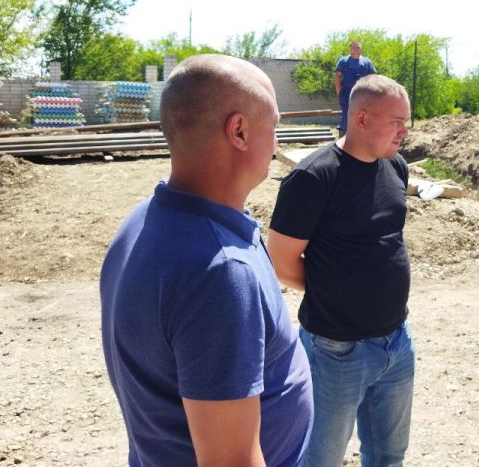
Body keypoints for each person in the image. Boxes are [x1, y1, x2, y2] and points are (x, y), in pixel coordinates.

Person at [100, 54, 313, 467]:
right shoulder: (219, 271)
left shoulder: (145, 218)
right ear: (239, 131)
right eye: (275, 126)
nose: (277, 143)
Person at [268, 74, 414, 467]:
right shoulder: (313, 178)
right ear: (362, 119)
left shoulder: (395, 167)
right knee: (320, 459)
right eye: (396, 121)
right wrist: (330, 291)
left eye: (407, 122)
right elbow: (281, 260)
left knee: (389, 455)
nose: (405, 131)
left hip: (396, 343)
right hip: (336, 351)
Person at [334, 40, 377, 137]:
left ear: (361, 49)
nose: (356, 49)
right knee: (347, 115)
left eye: (358, 47)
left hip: (363, 93)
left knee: (363, 115)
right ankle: (343, 140)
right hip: (346, 93)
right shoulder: (343, 61)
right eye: (354, 47)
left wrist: (371, 93)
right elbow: (337, 77)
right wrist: (339, 92)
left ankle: (363, 139)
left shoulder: (367, 61)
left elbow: (373, 77)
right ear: (350, 48)